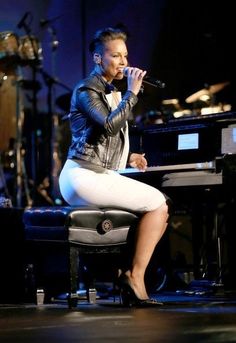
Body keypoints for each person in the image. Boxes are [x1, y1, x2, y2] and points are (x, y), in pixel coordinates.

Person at [59, 27, 171, 307]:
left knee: (157, 207)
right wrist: (132, 93)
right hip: (83, 176)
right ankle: (135, 276)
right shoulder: (87, 89)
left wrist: (129, 155)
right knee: (158, 203)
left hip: (98, 173)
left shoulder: (111, 91)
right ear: (98, 58)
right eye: (115, 56)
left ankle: (124, 273)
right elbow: (108, 125)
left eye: (125, 56)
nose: (123, 62)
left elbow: (104, 138)